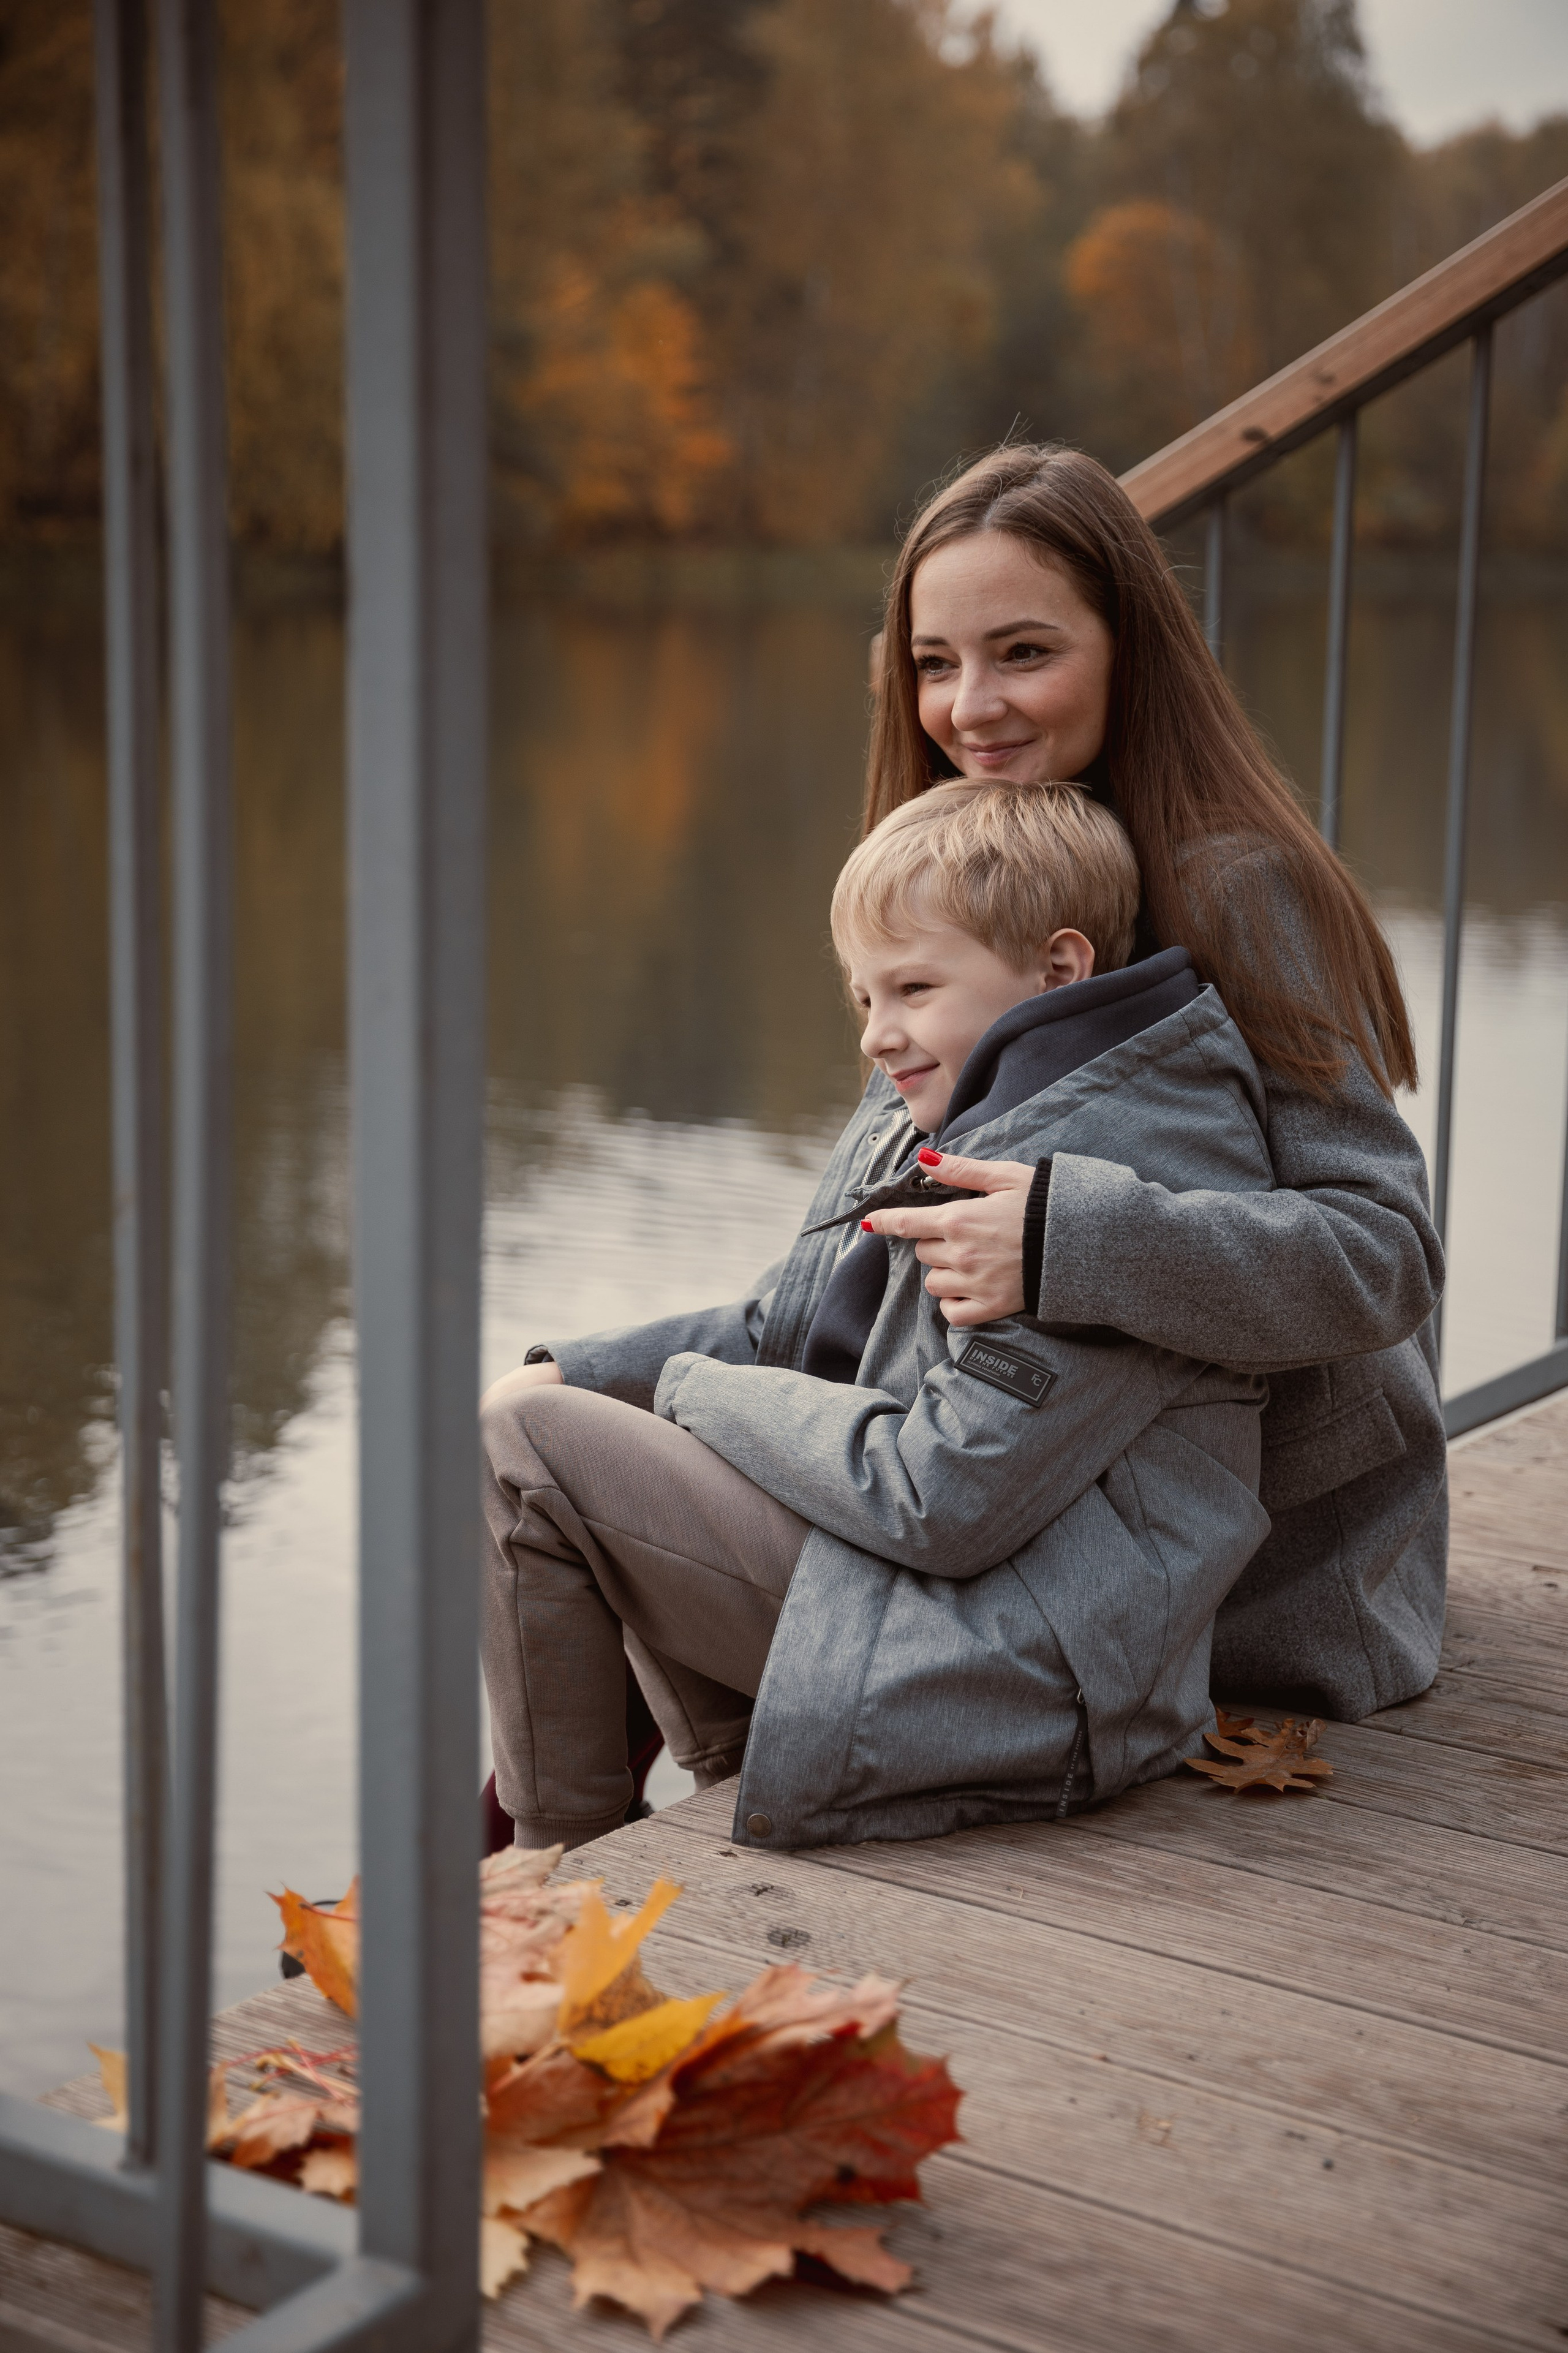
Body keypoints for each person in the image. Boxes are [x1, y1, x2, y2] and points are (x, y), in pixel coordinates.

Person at [480, 777, 1277, 1854]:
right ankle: (680, 1792)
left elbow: (939, 1496)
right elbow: (790, 1317)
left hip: (1039, 1673)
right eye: (864, 999)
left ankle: (552, 1862)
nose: (877, 1035)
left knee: (532, 1450)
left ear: (1059, 968)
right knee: (535, 1412)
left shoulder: (1100, 1167)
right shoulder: (994, 1099)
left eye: (910, 988)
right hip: (987, 1619)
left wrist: (682, 1395)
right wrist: (572, 1367)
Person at [849, 445, 1446, 1726]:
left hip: (1254, 1595)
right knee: (598, 1476)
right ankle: (513, 1874)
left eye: (1022, 653)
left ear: (1128, 649)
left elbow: (1385, 1256)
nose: (968, 708)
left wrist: (1068, 1238)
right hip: (1021, 1506)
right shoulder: (949, 892)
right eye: (933, 664)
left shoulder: (1234, 888)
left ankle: (519, 1883)